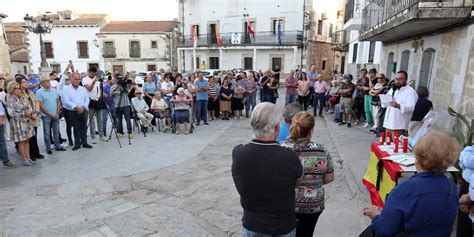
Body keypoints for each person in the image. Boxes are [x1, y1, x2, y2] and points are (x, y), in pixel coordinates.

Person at [363, 131, 458, 236]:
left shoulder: (405, 190)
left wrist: (377, 216)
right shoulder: (451, 187)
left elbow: (384, 231)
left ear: (418, 159)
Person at [232, 102, 303, 237]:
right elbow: (299, 180)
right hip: (282, 224)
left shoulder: (238, 153)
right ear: (277, 128)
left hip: (252, 223)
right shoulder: (289, 156)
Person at [281, 112, 334, 237]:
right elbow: (329, 178)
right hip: (313, 204)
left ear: (292, 126)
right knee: (307, 233)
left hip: (287, 203)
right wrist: (312, 179)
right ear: (312, 129)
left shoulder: (282, 148)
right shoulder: (321, 150)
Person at [6, 82, 36, 166]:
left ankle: (28, 158)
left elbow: (28, 106)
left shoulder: (21, 98)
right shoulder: (10, 99)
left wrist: (29, 112)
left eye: (19, 88)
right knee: (22, 141)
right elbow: (11, 113)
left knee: (27, 140)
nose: (19, 90)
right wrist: (23, 113)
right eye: (17, 88)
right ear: (12, 89)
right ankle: (24, 159)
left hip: (26, 122)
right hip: (18, 123)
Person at [382, 71, 418, 138]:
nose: (397, 81)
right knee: (388, 145)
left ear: (406, 80)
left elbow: (411, 108)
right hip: (389, 123)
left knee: (397, 147)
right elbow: (385, 102)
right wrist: (384, 100)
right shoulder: (393, 89)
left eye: (400, 79)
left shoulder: (411, 92)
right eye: (396, 79)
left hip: (399, 126)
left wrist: (398, 106)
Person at [61, 73, 92, 151]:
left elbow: (87, 99)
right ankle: (77, 143)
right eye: (75, 79)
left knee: (84, 127)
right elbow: (65, 100)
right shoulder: (66, 89)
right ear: (71, 79)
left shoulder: (83, 89)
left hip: (83, 110)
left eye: (78, 79)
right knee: (76, 127)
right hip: (73, 111)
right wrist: (76, 107)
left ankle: (84, 142)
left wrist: (84, 107)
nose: (77, 81)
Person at [36, 76, 67, 155]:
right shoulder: (39, 92)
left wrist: (57, 112)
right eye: (46, 81)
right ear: (42, 83)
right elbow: (41, 106)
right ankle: (48, 148)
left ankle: (57, 145)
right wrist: (51, 115)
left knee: (56, 131)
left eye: (48, 81)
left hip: (55, 114)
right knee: (47, 132)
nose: (48, 82)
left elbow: (58, 101)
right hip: (46, 115)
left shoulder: (54, 90)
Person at [19, 77, 44, 160]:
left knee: (34, 135)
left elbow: (36, 102)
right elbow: (22, 107)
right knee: (28, 138)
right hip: (26, 118)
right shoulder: (19, 94)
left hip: (34, 116)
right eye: (23, 82)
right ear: (19, 84)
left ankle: (36, 153)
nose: (26, 83)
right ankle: (30, 155)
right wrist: (30, 114)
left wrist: (36, 112)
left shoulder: (30, 93)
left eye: (26, 82)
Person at [82, 67, 105, 143]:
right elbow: (89, 89)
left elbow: (100, 90)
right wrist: (94, 81)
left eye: (94, 73)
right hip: (90, 101)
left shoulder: (98, 79)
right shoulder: (85, 79)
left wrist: (101, 98)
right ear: (88, 72)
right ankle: (93, 137)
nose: (93, 74)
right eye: (91, 72)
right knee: (92, 120)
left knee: (100, 119)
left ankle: (101, 135)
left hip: (98, 101)